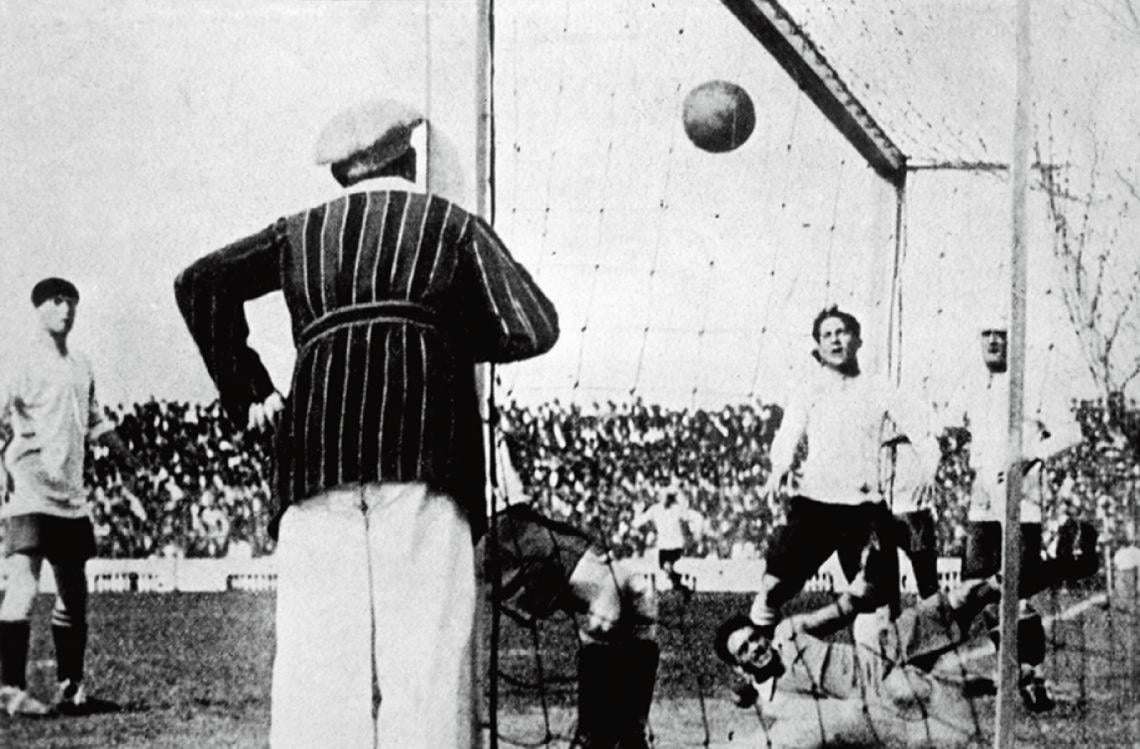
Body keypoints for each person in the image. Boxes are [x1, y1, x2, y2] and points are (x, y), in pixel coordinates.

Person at [174, 99, 559, 748]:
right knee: (425, 676)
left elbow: (200, 282)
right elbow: (532, 322)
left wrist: (251, 391)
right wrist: (435, 329)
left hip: (312, 463)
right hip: (422, 462)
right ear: (410, 159)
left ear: (341, 176)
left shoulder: (300, 231)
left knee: (316, 680)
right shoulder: (449, 222)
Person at [0, 277, 141, 717]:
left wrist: (125, 456)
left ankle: (72, 689)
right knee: (23, 580)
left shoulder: (81, 363)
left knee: (74, 592)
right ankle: (9, 690)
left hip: (71, 494)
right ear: (38, 308)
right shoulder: (21, 363)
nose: (66, 309)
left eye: (72, 302)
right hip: (32, 485)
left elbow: (94, 418)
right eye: (57, 301)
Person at [752, 305, 941, 633]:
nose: (836, 340)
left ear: (858, 340)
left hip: (864, 509)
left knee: (876, 599)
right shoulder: (808, 389)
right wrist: (778, 467)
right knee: (774, 585)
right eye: (827, 335)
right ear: (818, 348)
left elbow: (922, 431)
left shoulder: (879, 388)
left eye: (843, 332)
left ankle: (879, 671)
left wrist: (930, 469)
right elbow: (788, 433)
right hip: (816, 505)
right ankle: (760, 642)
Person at [714, 551, 1006, 748]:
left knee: (959, 598)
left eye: (753, 638)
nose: (756, 648)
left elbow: (838, 611)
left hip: (879, 651)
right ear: (741, 665)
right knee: (919, 694)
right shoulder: (776, 700)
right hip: (880, 692)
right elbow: (832, 720)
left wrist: (862, 585)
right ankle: (994, 678)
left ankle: (1006, 581)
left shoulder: (787, 633)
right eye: (745, 649)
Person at [952, 324, 1092, 711]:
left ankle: (1033, 676)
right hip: (982, 505)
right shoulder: (974, 385)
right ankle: (1018, 672)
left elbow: (1072, 432)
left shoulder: (1034, 383)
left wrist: (1030, 455)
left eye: (1002, 333)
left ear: (1014, 339)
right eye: (986, 334)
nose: (994, 341)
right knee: (983, 590)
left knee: (1017, 593)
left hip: (1022, 505)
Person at [478, 503, 658, 749]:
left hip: (507, 519)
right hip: (490, 526)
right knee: (621, 591)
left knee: (635, 594)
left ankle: (625, 735)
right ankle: (603, 737)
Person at [631, 483, 705, 594]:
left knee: (667, 567)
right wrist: (637, 511)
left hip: (676, 545)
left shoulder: (677, 509)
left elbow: (695, 517)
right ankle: (683, 587)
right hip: (664, 546)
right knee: (667, 570)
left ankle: (682, 584)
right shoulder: (655, 509)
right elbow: (637, 523)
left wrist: (696, 533)